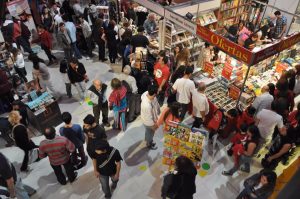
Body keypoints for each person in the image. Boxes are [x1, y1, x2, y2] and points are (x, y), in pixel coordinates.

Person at [141, 84, 160, 149]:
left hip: (150, 119)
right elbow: (149, 119)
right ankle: (149, 144)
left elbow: (156, 104)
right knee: (150, 133)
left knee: (148, 132)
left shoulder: (146, 93)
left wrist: (158, 111)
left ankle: (148, 140)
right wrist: (154, 126)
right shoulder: (146, 105)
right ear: (155, 94)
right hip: (148, 122)